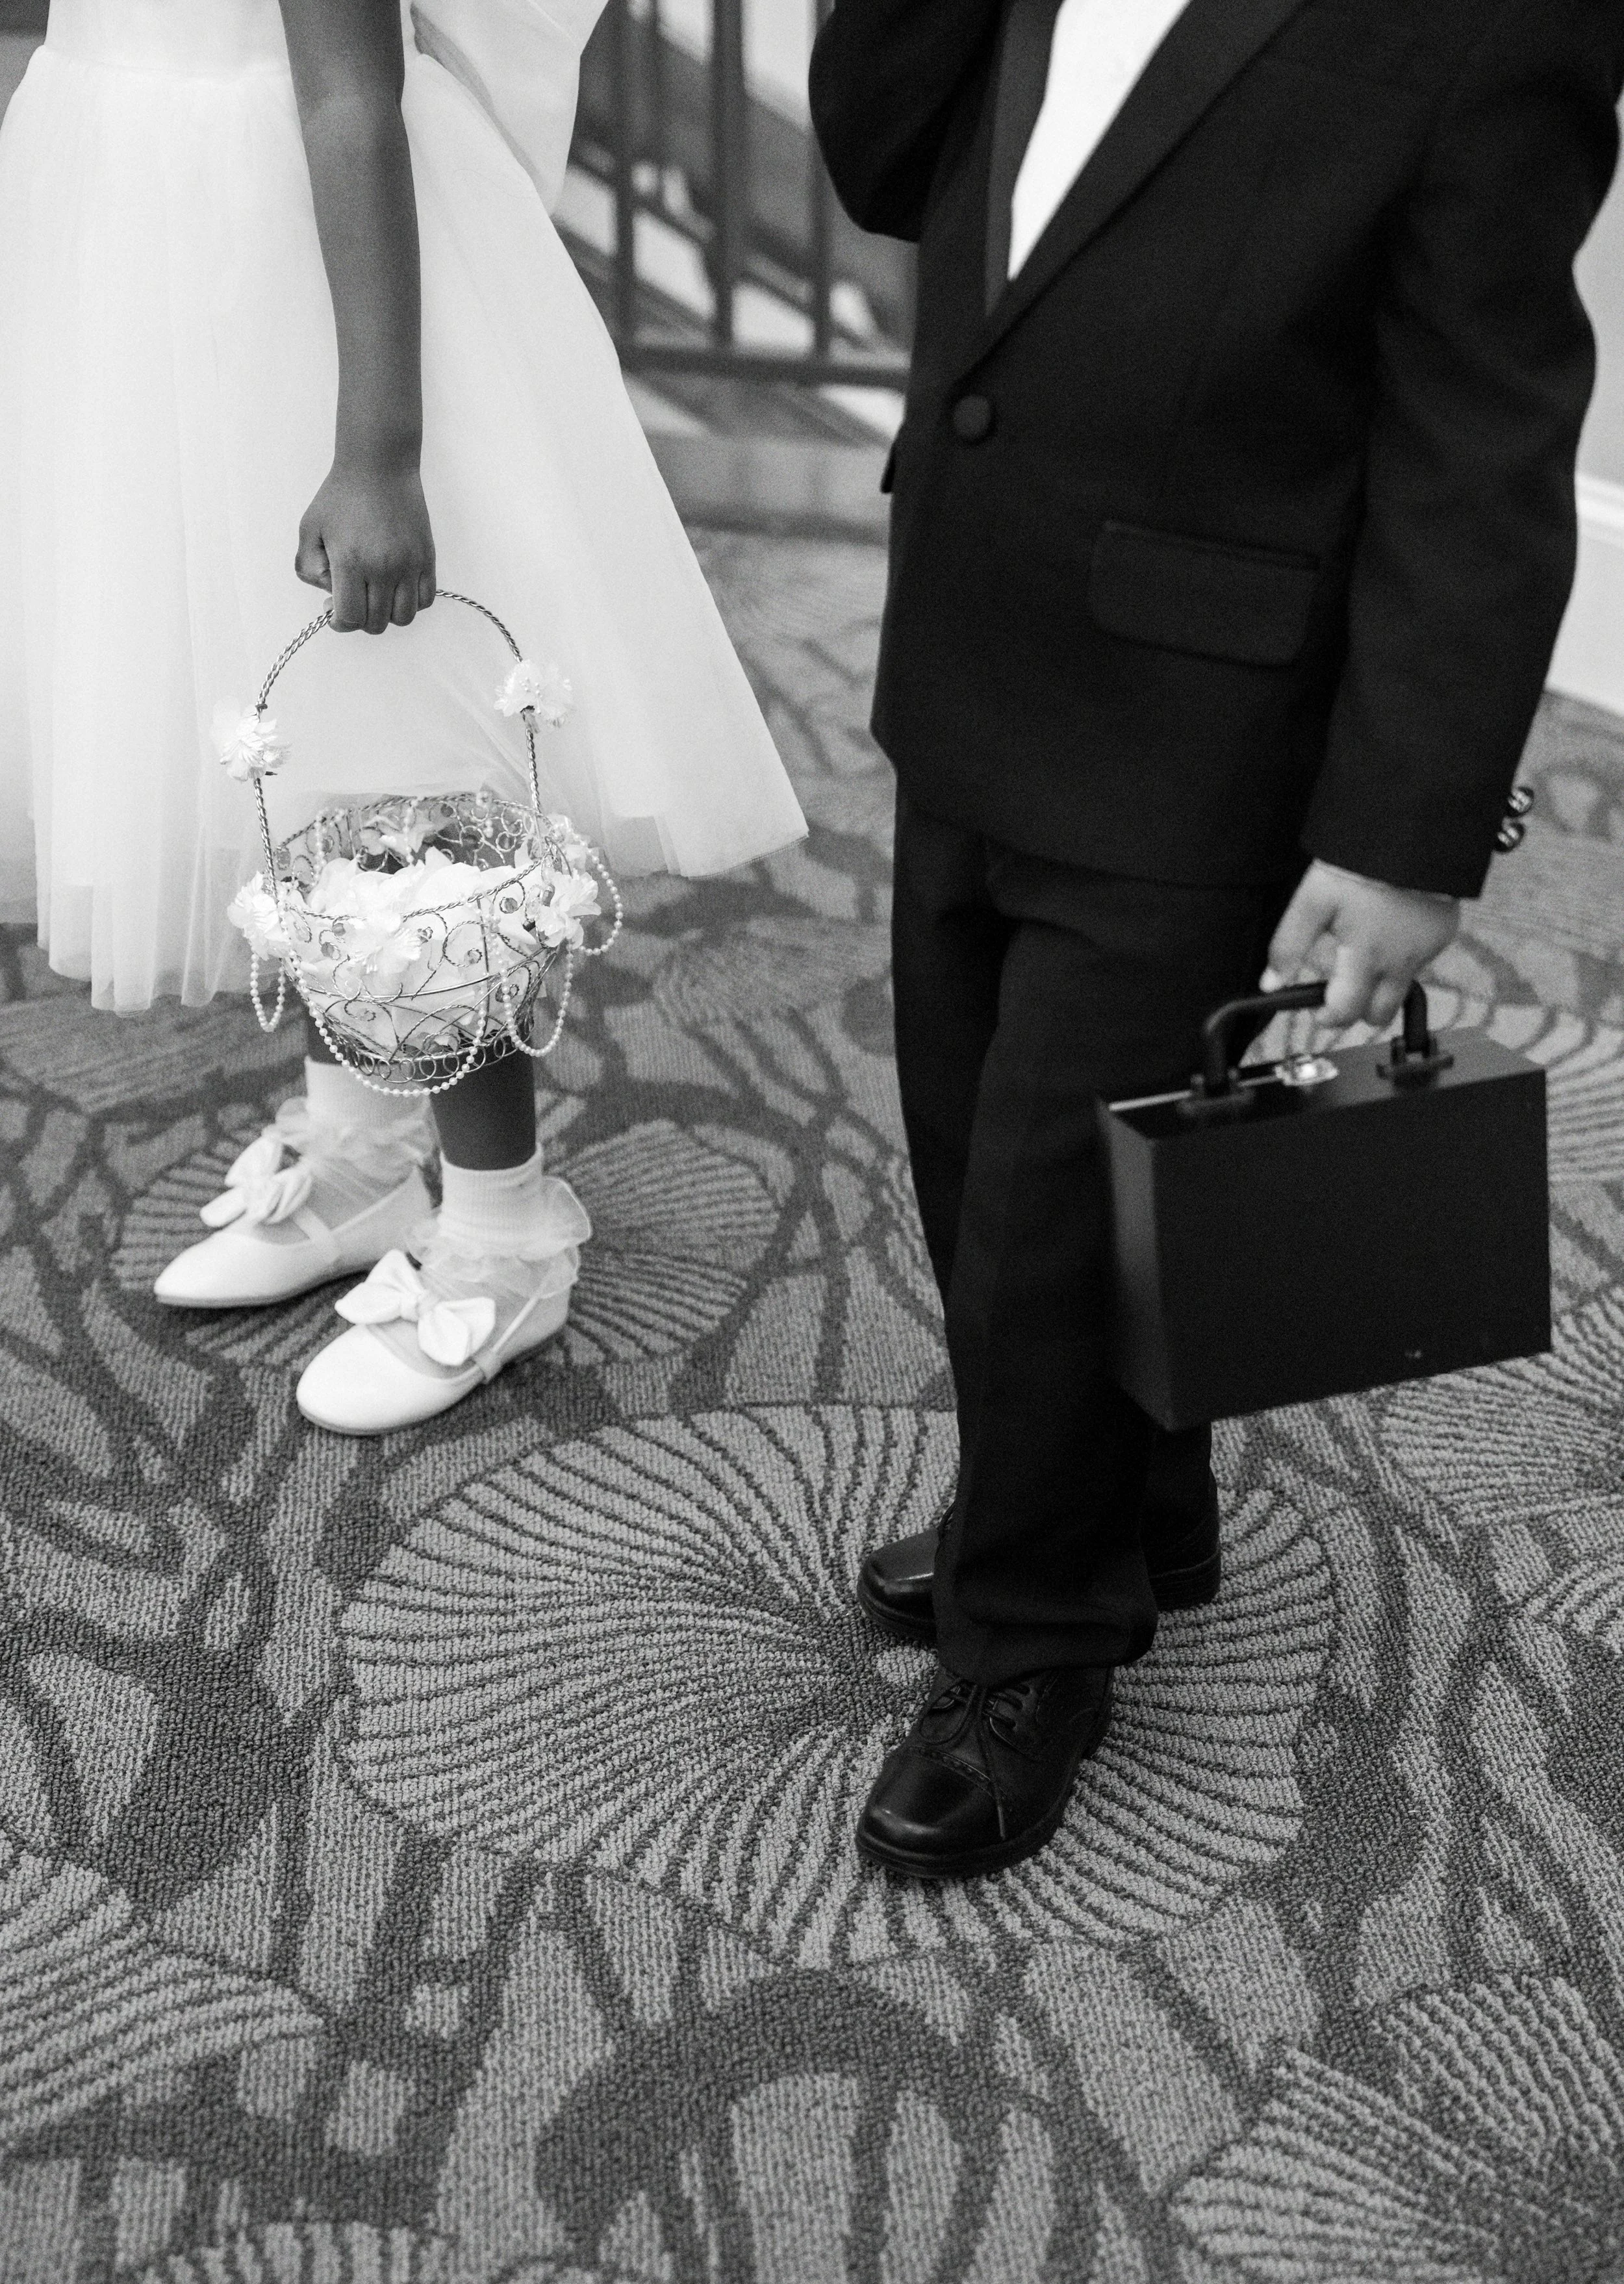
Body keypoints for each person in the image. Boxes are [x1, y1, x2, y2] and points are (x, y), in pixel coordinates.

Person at [809, 0, 1624, 1877]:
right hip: (976, 645)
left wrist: (1403, 834)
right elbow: (874, 157)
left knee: (1034, 1192)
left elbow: (1478, 430)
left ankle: (1031, 1639)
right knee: (966, 1129)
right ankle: (1132, 1508)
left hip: (1203, 722)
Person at [0, 0, 804, 1436]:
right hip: (135, 245)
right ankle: (367, 1148)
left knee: (402, 771)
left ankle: (504, 1227)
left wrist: (378, 449)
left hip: (300, 278)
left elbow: (350, 96)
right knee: (268, 748)